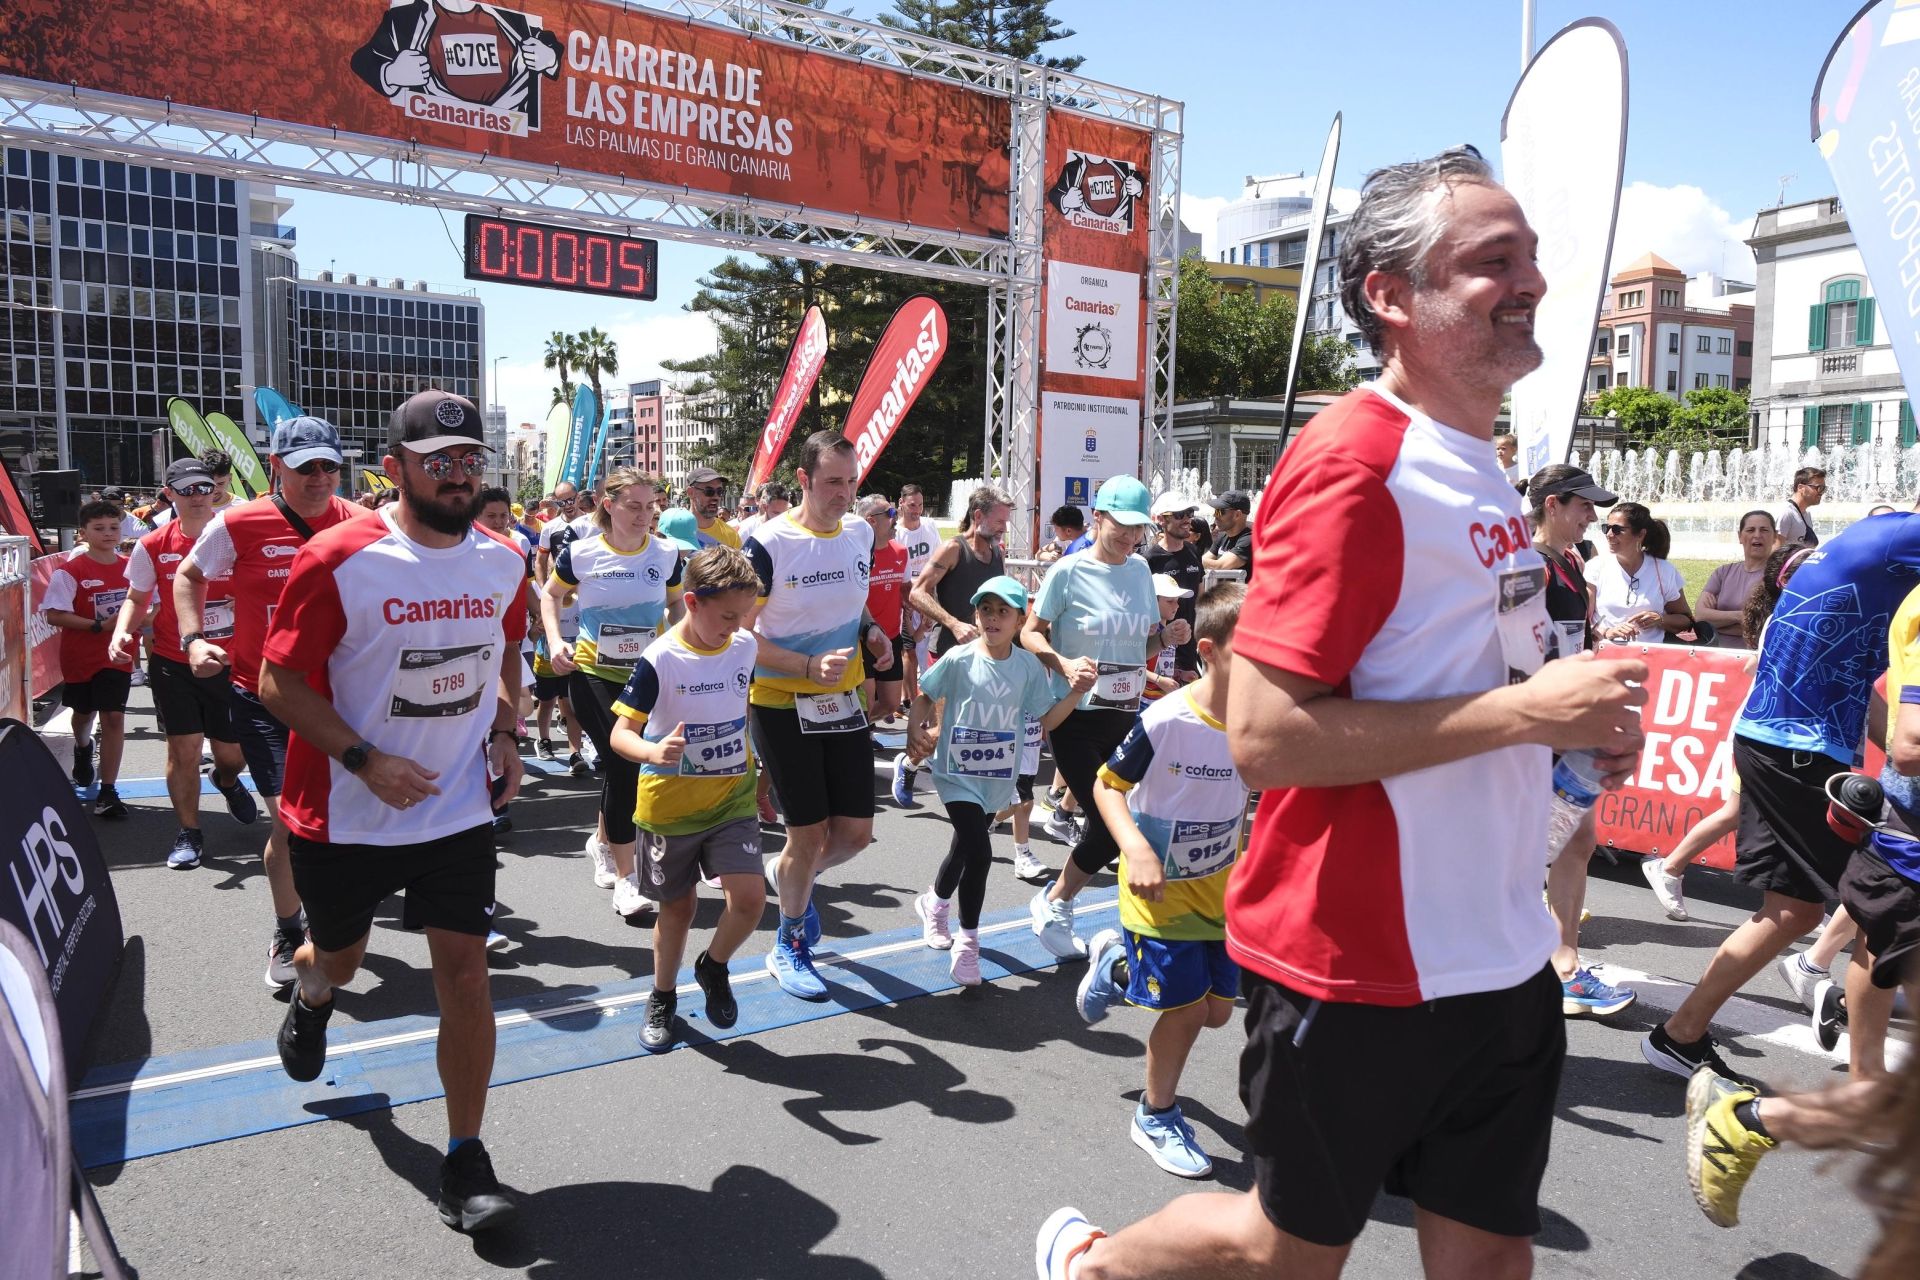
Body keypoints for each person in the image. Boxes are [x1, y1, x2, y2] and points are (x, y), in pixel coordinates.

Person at [1035, 145, 1648, 1280]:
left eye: (1534, 258)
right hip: (1358, 962)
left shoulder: (1479, 464)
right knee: (1287, 1252)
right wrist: (1524, 716)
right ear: (1392, 296)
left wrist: (1576, 728)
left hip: (1501, 951)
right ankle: (1094, 1263)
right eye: (1491, 261)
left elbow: (1474, 675)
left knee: (1492, 1257)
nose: (1533, 283)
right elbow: (1266, 738)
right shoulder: (1357, 458)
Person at [259, 388, 526, 1233]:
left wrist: (509, 733)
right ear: (394, 469)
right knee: (338, 959)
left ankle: (465, 1155)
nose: (456, 476)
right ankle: (311, 995)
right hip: (345, 814)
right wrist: (365, 760)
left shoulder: (502, 559)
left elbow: (504, 649)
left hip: (455, 814)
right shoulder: (340, 557)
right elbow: (278, 682)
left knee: (466, 976)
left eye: (468, 461)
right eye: (437, 461)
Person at [1642, 504, 1920, 1086]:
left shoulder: (1877, 554)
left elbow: (1871, 703)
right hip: (1796, 746)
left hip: (1783, 740)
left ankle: (1679, 1035)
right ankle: (1867, 1087)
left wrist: (1898, 758)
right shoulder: (1904, 536)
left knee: (1793, 911)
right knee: (1885, 902)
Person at [178, 415, 364, 989]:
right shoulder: (238, 523)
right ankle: (289, 928)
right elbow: (188, 576)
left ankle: (363, 914)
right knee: (290, 823)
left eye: (329, 466)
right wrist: (193, 639)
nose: (319, 478)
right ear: (276, 467)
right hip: (268, 696)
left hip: (345, 696)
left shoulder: (363, 523)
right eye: (305, 467)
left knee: (356, 818)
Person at [1075, 583, 1249, 1179]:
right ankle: (1155, 1113)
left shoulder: (1262, 722)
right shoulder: (1168, 718)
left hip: (1220, 891)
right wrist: (1137, 849)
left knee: (1220, 1012)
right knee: (1188, 1011)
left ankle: (1116, 963)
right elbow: (1106, 787)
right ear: (1210, 649)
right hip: (1158, 893)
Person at [746, 430, 893, 1000]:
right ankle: (789, 943)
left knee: (856, 835)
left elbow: (851, 603)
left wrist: (873, 633)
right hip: (781, 702)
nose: (844, 493)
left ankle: (790, 880)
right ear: (804, 480)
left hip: (842, 702)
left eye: (852, 481)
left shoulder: (858, 532)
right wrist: (804, 665)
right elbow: (739, 629)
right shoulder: (768, 543)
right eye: (833, 482)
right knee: (806, 833)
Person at [607, 545, 769, 1051]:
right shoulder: (661, 658)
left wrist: (759, 766)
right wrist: (652, 750)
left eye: (743, 615)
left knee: (750, 900)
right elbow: (619, 734)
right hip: (669, 808)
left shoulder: (744, 646)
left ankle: (713, 965)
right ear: (693, 603)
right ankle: (662, 995)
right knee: (677, 911)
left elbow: (738, 708)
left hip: (731, 798)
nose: (737, 625)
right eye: (727, 615)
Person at [1026, 475, 1185, 960]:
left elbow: (1139, 646)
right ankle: (1054, 905)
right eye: (1121, 525)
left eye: (1139, 528)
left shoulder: (1139, 570)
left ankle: (1059, 903)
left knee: (1121, 822)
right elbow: (1032, 633)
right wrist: (1063, 663)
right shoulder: (1069, 572)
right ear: (1097, 517)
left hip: (1125, 712)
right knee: (1105, 823)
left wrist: (1167, 638)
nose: (1131, 537)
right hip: (1075, 712)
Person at [906, 574, 1090, 984]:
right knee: (980, 849)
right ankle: (968, 945)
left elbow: (1045, 721)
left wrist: (1075, 694)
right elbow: (923, 695)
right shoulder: (959, 658)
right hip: (955, 775)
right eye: (985, 609)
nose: (992, 618)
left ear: (1019, 619)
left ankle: (934, 905)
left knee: (963, 849)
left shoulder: (1027, 666)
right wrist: (913, 730)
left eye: (1002, 611)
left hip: (995, 778)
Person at [542, 468, 683, 918]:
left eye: (651, 506)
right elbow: (550, 596)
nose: (645, 515)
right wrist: (555, 640)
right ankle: (629, 880)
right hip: (592, 673)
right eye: (634, 506)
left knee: (626, 772)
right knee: (626, 767)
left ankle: (603, 840)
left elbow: (678, 603)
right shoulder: (581, 554)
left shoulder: (665, 553)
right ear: (609, 504)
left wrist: (680, 644)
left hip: (647, 674)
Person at [1524, 463, 1637, 1017]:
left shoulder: (1572, 562)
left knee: (1578, 840)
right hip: (1533, 728)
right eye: (1583, 505)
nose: (1594, 515)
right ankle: (1543, 964)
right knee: (1529, 851)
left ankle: (1563, 962)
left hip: (1567, 727)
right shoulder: (1530, 566)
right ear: (1552, 505)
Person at [109, 458, 258, 866]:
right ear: (169, 494)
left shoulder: (236, 537)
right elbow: (136, 599)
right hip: (175, 662)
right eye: (186, 489)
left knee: (232, 753)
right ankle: (189, 832)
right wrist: (125, 630)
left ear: (215, 491)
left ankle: (226, 780)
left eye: (203, 488)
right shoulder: (153, 545)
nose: (197, 496)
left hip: (231, 663)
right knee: (183, 750)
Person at [896, 485, 1010, 804]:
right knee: (944, 730)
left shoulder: (998, 554)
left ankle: (975, 800)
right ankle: (907, 764)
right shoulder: (953, 549)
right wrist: (953, 622)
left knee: (975, 729)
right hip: (948, 650)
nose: (1005, 527)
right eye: (1000, 520)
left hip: (983, 654)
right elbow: (917, 593)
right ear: (978, 516)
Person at [41, 499, 135, 817]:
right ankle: (83, 747)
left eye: (114, 527)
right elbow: (54, 615)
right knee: (83, 714)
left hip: (118, 656)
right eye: (100, 528)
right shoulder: (70, 572)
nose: (109, 533)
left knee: (113, 717)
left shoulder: (132, 568)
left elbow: (149, 607)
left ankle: (108, 792)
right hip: (80, 656)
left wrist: (145, 618)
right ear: (83, 533)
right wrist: (98, 625)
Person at [1589, 501, 1692, 645]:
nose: (1609, 534)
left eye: (1617, 529)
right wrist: (1606, 632)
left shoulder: (1664, 570)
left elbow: (1685, 619)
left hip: (1650, 659)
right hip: (1604, 658)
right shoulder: (1595, 567)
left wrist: (1660, 619)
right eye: (1606, 528)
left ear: (1641, 534)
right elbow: (1580, 620)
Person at [1144, 494, 1205, 682]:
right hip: (1159, 647)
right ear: (1162, 519)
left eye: (1189, 513)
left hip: (1188, 646)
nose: (1187, 519)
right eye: (1179, 514)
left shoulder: (1193, 551)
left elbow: (1200, 597)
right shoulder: (1149, 559)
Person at [1693, 511, 1776, 649]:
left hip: (1755, 658)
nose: (1757, 535)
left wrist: (1718, 623)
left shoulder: (1778, 578)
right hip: (1716, 655)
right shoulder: (1723, 573)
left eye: (1764, 530)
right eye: (1750, 530)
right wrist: (1739, 617)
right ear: (1740, 536)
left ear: (1774, 537)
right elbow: (1701, 616)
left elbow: (1765, 626)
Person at [858, 495, 908, 726]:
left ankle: (860, 729)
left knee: (891, 704)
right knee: (865, 704)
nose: (895, 517)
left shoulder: (900, 552)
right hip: (863, 640)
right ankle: (861, 739)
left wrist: (920, 611)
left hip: (892, 637)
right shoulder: (856, 554)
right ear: (871, 521)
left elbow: (906, 590)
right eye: (889, 514)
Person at [896, 483, 943, 702]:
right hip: (906, 600)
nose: (917, 510)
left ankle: (925, 700)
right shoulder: (896, 532)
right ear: (902, 503)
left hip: (928, 596)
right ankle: (910, 699)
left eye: (920, 505)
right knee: (909, 650)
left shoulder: (930, 526)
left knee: (927, 649)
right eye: (912, 505)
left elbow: (939, 561)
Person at [1143, 573, 1190, 702]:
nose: (1176, 606)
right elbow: (1133, 666)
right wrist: (1159, 680)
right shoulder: (1146, 630)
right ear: (1152, 600)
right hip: (1142, 700)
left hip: (1159, 699)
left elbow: (1161, 666)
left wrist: (1180, 673)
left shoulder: (1169, 631)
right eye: (1170, 601)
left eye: (1177, 601)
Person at [683, 465, 741, 550]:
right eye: (709, 491)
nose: (716, 497)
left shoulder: (731, 536)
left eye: (719, 492)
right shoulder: (673, 531)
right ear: (691, 492)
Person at [1201, 491, 1252, 578]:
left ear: (1237, 515)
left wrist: (1194, 560)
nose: (1215, 515)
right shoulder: (1223, 536)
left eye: (1220, 511)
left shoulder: (1249, 540)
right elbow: (1205, 559)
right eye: (1215, 511)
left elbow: (1219, 566)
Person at [1776, 466, 1826, 550]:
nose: (1821, 493)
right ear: (1801, 488)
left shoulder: (1806, 514)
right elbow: (1775, 552)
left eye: (1823, 489)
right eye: (1818, 488)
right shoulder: (1786, 513)